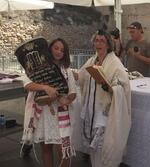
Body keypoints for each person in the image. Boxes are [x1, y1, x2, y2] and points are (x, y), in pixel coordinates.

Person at [77, 29, 131, 167]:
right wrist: (65, 72)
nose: (98, 43)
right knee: (93, 149)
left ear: (108, 44)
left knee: (103, 148)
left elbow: (123, 86)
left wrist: (111, 88)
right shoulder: (91, 60)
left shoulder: (115, 63)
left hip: (104, 113)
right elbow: (80, 77)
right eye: (96, 40)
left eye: (102, 40)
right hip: (91, 110)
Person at [21, 38, 76, 167]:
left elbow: (73, 92)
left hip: (60, 115)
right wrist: (45, 88)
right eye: (56, 48)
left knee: (63, 151)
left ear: (65, 54)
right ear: (49, 48)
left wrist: (66, 100)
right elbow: (27, 84)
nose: (58, 52)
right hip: (43, 114)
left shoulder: (67, 71)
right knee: (46, 149)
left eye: (62, 50)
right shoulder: (38, 68)